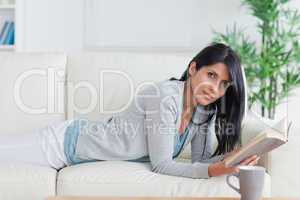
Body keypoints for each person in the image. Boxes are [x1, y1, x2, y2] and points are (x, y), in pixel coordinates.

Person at [0, 43, 259, 179]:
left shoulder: (205, 112)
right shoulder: (166, 96)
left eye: (223, 83)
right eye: (211, 75)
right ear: (193, 69)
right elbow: (162, 165)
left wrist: (233, 159)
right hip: (65, 143)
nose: (214, 87)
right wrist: (214, 170)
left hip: (73, 152)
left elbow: (198, 162)